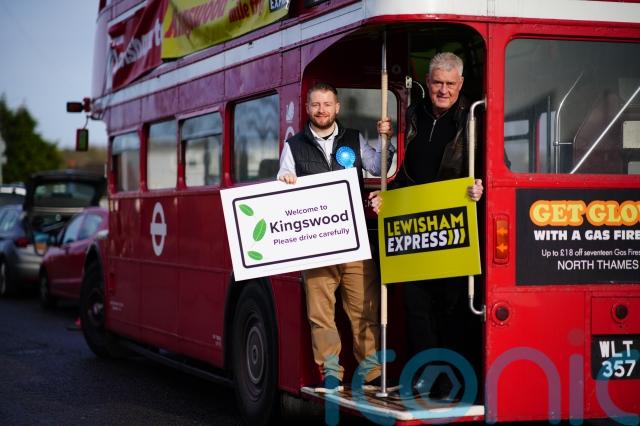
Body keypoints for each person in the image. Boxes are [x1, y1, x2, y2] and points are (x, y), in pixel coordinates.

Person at [369, 52, 484, 400]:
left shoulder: (475, 118)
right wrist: (386, 197)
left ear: (460, 84)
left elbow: (492, 167)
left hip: (454, 225)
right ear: (428, 83)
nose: (443, 90)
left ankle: (452, 380)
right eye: (437, 83)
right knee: (416, 306)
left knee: (452, 308)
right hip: (413, 224)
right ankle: (425, 376)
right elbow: (400, 171)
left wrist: (481, 188)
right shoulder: (412, 116)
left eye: (450, 84)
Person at [278, 82, 394, 392]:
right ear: (307, 108)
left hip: (354, 240)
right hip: (316, 245)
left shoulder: (354, 139)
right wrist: (285, 180)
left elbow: (379, 166)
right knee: (321, 314)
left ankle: (371, 373)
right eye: (316, 105)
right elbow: (282, 183)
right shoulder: (293, 146)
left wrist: (386, 140)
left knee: (364, 309)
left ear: (337, 107)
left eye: (327, 104)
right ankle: (331, 373)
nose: (322, 110)